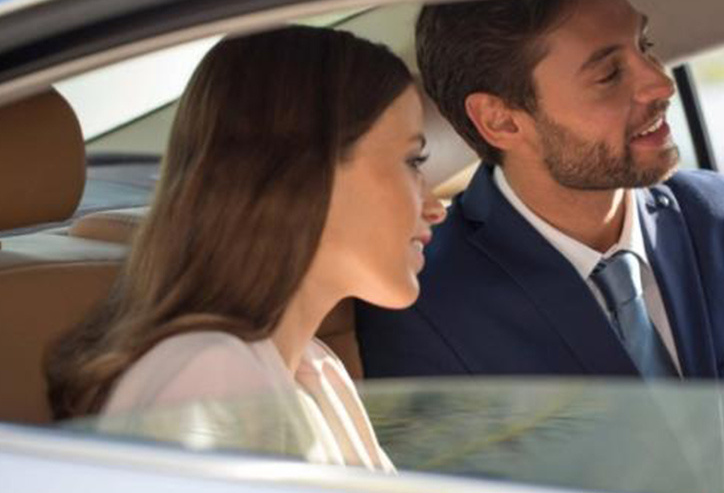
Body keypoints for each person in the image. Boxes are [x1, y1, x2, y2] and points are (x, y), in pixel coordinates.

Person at [355, 0, 724, 490]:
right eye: (609, 75)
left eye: (646, 46)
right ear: (501, 121)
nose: (660, 83)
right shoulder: (423, 304)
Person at [46, 26, 445, 471]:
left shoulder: (316, 368)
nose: (435, 208)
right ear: (307, 175)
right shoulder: (208, 380)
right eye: (413, 162)